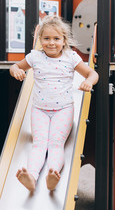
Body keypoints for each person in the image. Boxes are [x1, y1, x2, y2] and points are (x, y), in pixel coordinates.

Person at [10, 15, 99, 192]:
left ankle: (53, 174)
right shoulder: (35, 57)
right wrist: (16, 71)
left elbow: (92, 74)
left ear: (64, 40)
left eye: (56, 39)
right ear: (40, 40)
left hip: (63, 110)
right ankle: (32, 177)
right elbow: (15, 66)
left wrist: (89, 82)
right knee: (39, 143)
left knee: (55, 144)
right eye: (46, 38)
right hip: (39, 110)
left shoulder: (71, 57)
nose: (51, 43)